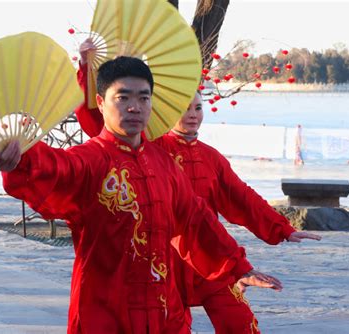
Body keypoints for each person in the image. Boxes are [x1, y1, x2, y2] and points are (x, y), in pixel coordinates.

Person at [0, 56, 281, 333]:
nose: (134, 107)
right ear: (100, 103)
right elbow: (55, 167)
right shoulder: (89, 160)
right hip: (105, 312)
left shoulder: (163, 162)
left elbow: (196, 219)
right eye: (123, 97)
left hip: (164, 310)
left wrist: (238, 267)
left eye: (143, 98)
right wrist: (20, 160)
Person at [73, 40, 321, 333]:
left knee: (239, 321)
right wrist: (90, 70)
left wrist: (281, 229)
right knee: (175, 324)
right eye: (185, 108)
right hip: (164, 260)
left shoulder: (210, 157)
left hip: (209, 254)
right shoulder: (150, 147)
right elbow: (100, 122)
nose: (192, 115)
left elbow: (240, 197)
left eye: (198, 108)